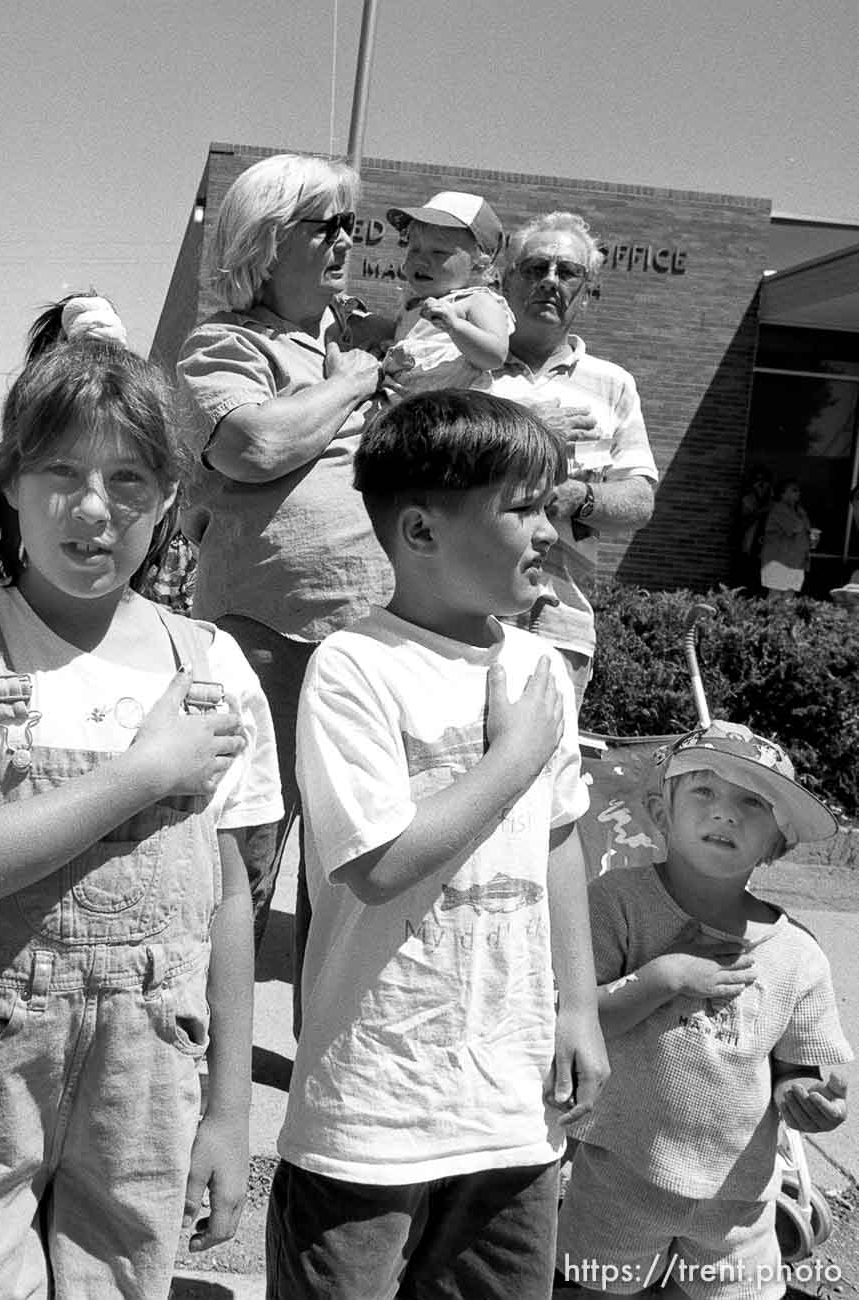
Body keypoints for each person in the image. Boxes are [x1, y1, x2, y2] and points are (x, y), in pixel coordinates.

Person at [0, 343, 278, 1297]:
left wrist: (229, 1114)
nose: (95, 509)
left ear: (169, 497)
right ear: (10, 482)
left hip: (150, 1072)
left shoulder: (211, 666)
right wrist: (145, 773)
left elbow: (227, 903)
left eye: (128, 478)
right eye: (62, 473)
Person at [269, 390, 606, 1299]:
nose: (549, 530)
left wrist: (578, 1008)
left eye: (552, 504)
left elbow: (561, 839)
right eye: (523, 507)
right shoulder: (356, 666)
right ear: (419, 530)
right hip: (372, 1105)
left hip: (511, 1100)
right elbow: (379, 867)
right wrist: (512, 759)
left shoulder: (538, 670)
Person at [175, 152, 394, 938]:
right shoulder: (224, 345)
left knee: (349, 864)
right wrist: (352, 386)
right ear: (267, 241)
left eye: (351, 225)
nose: (346, 242)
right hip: (265, 637)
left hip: (370, 636)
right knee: (245, 848)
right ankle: (209, 1050)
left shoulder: (357, 345)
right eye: (326, 225)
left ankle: (318, 1055)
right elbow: (255, 447)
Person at [557, 721, 850, 1300]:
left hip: (739, 1196)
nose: (725, 814)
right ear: (660, 813)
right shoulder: (616, 905)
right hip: (620, 1173)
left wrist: (810, 1096)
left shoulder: (797, 954)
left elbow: (802, 1064)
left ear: (778, 840)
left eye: (752, 802)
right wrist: (667, 976)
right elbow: (575, 1021)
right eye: (703, 792)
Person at [489, 211, 656, 702]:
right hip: (458, 613)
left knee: (548, 770)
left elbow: (640, 500)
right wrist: (526, 430)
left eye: (567, 273)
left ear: (588, 292)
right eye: (535, 268)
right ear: (505, 280)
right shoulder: (464, 366)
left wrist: (574, 497)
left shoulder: (613, 384)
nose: (549, 282)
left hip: (559, 620)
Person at [363, 190, 512, 396]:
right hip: (408, 407)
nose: (421, 260)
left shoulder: (476, 301)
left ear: (478, 264)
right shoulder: (413, 304)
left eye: (438, 252)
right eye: (414, 249)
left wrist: (456, 326)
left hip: (456, 411)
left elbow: (495, 356)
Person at [759, 477, 816, 602]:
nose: (798, 493)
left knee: (788, 599)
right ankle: (764, 621)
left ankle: (781, 622)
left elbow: (807, 532)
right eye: (794, 490)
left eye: (798, 491)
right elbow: (796, 527)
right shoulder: (779, 508)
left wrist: (811, 539)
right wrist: (802, 518)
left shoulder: (800, 511)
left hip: (797, 562)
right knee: (774, 596)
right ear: (782, 493)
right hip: (779, 561)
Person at [735, 465, 773, 591]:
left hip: (769, 553)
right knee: (745, 586)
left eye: (764, 480)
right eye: (757, 480)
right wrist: (760, 511)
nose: (761, 484)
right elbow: (742, 524)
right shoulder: (747, 500)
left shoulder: (775, 502)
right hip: (749, 549)